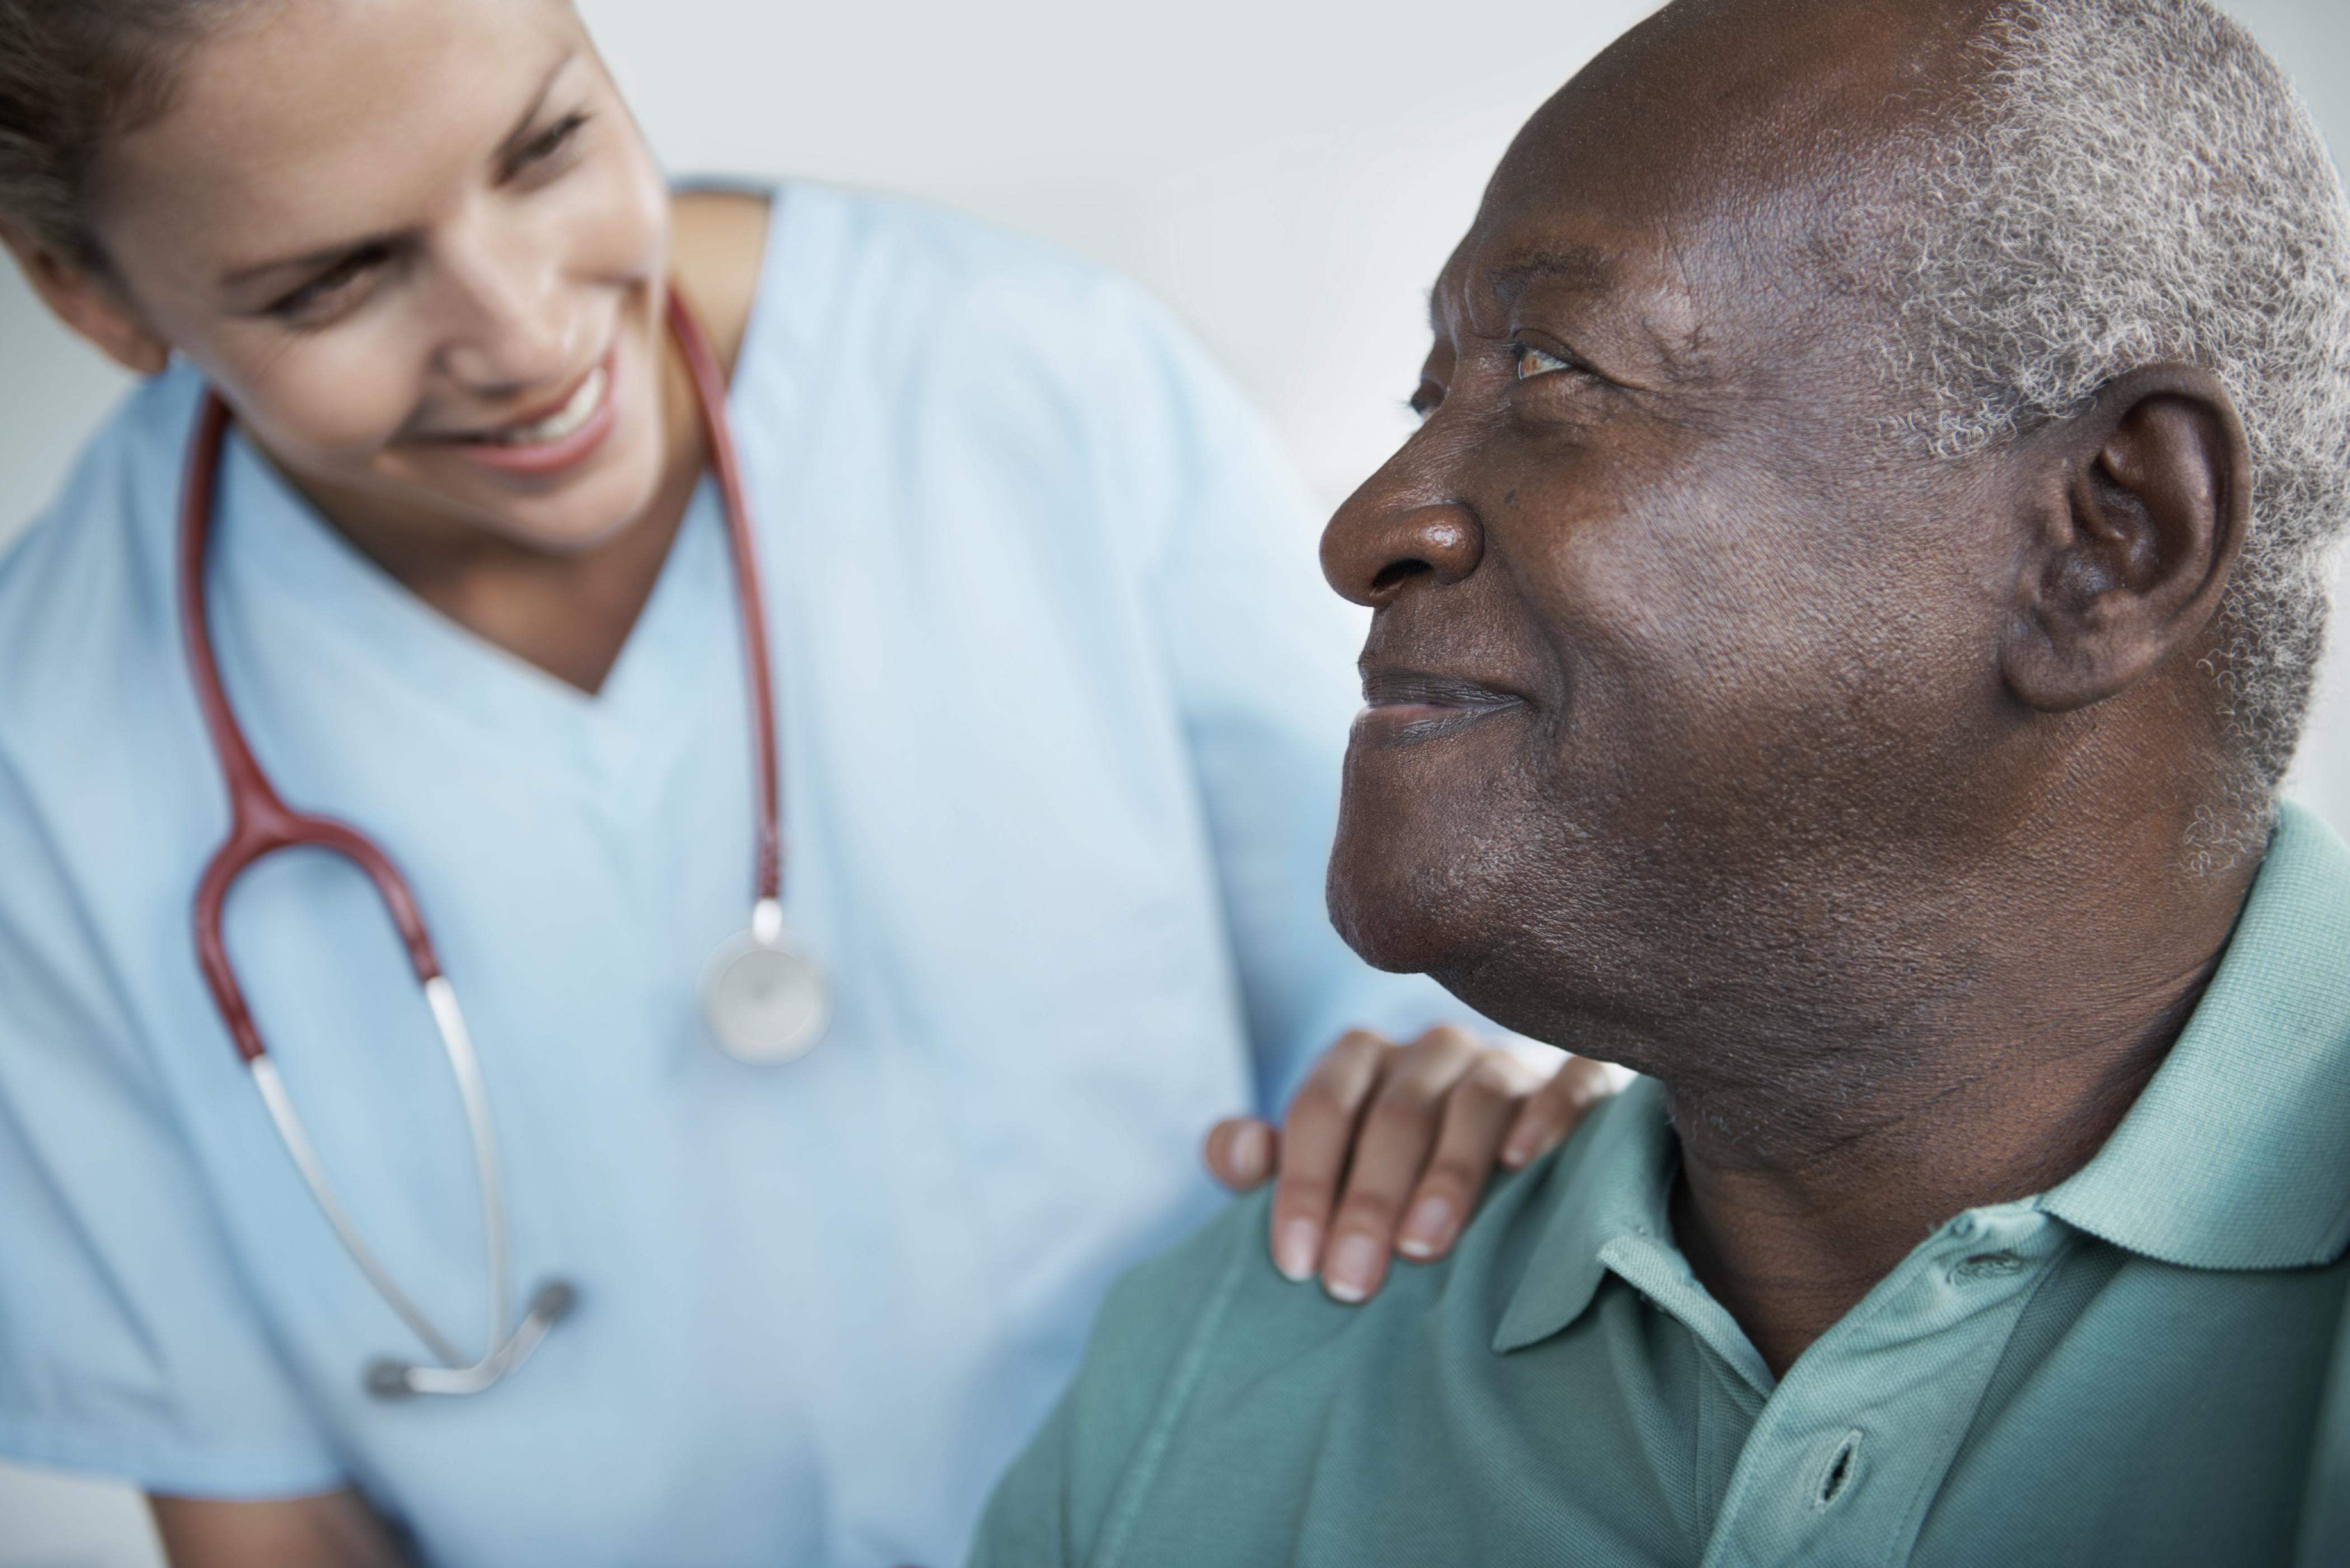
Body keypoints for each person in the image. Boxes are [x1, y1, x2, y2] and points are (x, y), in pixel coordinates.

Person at [0, 2, 1617, 1564]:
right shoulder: (46, 748)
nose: (525, 329)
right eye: (336, 282)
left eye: (548, 142)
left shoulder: (1034, 387)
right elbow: (264, 1517)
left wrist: (1453, 1103)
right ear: (88, 294)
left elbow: (1415, 1058)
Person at [971, 0, 2350, 1562]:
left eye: (1557, 368)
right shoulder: (1242, 1363)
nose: (1369, 526)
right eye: (1432, 396)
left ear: (2107, 536)